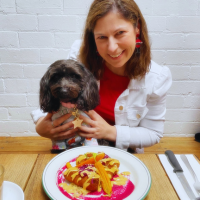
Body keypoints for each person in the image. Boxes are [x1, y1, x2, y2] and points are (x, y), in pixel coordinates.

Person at [31, 0, 172, 153]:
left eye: (120, 33)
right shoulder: (78, 56)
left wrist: (109, 132)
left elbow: (153, 133)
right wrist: (40, 124)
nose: (112, 48)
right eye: (102, 37)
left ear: (137, 27)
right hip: (75, 148)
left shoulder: (157, 78)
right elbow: (58, 96)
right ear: (92, 37)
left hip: (123, 153)